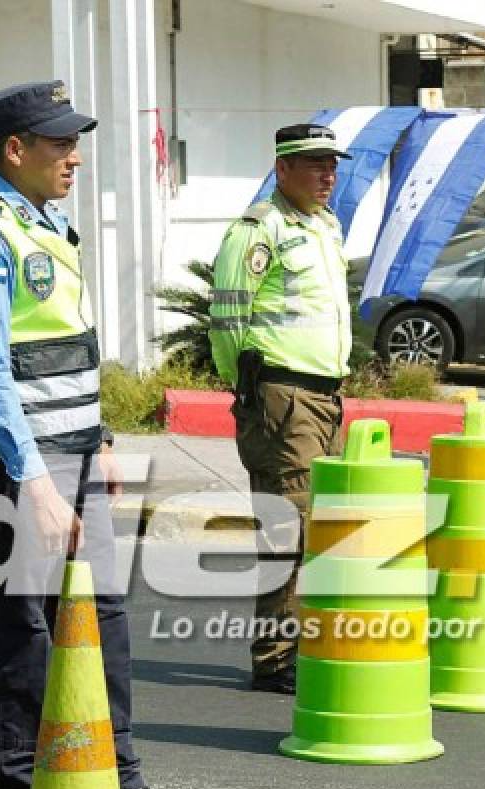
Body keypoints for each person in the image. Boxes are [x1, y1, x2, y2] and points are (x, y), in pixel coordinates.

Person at [0, 81, 151, 789]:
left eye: (75, 143)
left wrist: (103, 441)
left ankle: (114, 773)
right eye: (61, 144)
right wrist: (33, 482)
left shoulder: (47, 226)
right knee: (23, 629)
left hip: (76, 455)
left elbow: (67, 351)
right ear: (15, 149)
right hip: (19, 471)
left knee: (99, 620)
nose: (76, 158)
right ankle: (20, 783)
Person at [209, 124, 353, 695]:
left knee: (317, 524)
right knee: (287, 526)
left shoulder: (323, 226)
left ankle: (296, 645)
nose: (328, 175)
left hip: (323, 397)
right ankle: (274, 657)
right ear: (283, 169)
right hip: (282, 397)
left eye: (332, 164)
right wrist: (247, 390)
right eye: (315, 164)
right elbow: (226, 322)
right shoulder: (257, 230)